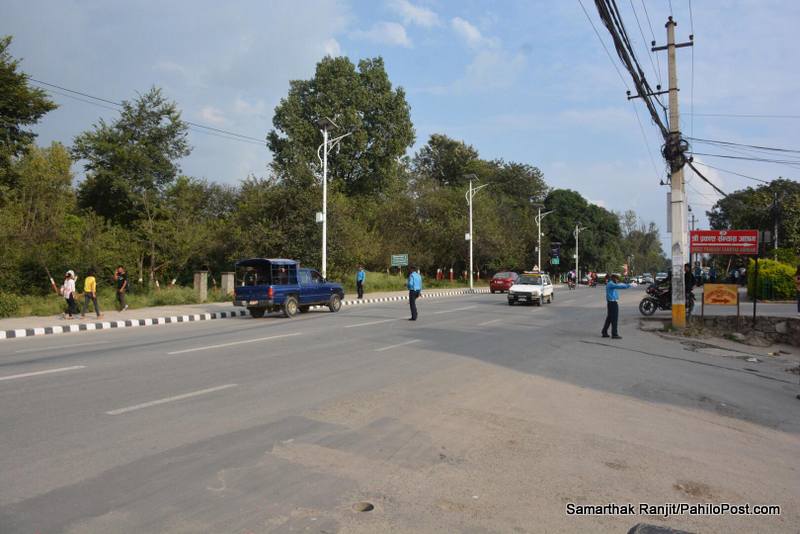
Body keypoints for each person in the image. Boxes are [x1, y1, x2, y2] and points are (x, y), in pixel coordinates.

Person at [602, 273, 631, 339]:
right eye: (617, 279)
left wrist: (627, 284)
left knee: (609, 319)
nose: (617, 281)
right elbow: (620, 286)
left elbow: (620, 284)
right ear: (614, 278)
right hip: (612, 304)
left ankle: (604, 332)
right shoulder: (611, 284)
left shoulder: (611, 283)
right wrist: (629, 285)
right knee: (614, 319)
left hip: (611, 303)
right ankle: (614, 334)